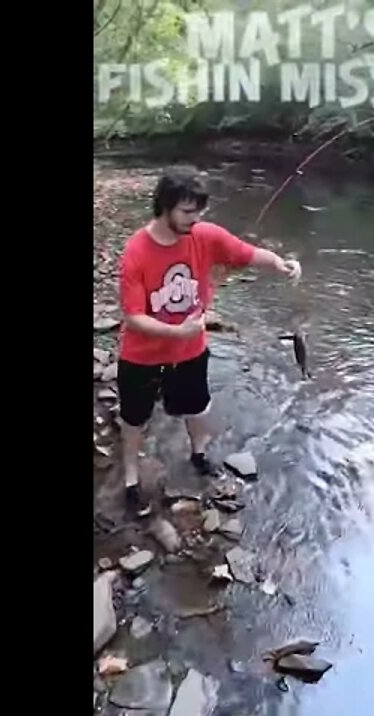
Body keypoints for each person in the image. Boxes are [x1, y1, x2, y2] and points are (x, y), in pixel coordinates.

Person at [115, 166, 301, 514]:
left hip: (190, 352)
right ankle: (129, 477)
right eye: (187, 211)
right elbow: (133, 317)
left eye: (199, 210)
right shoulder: (135, 252)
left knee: (197, 407)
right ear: (165, 206)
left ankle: (198, 454)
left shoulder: (206, 235)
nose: (195, 218)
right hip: (141, 356)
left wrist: (280, 263)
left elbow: (245, 253)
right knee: (134, 418)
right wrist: (176, 331)